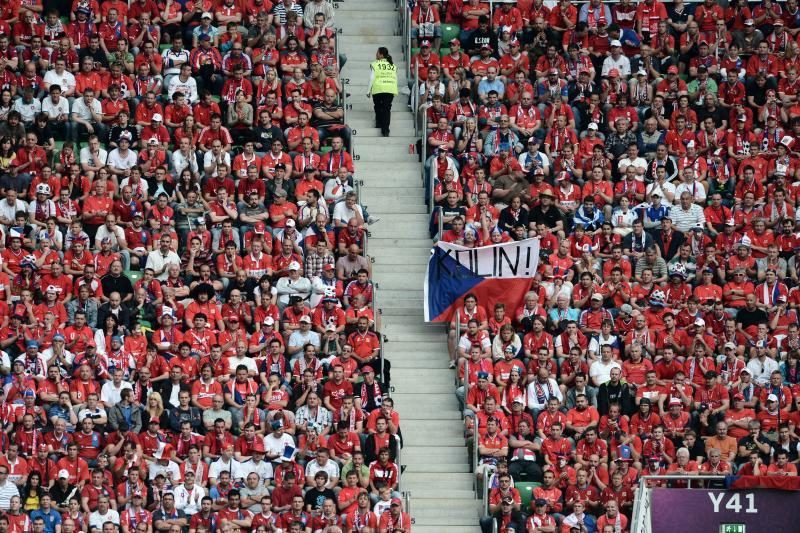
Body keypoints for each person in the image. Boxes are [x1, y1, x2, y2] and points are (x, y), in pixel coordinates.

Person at [367, 47, 398, 137]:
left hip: (378, 88)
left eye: (377, 53)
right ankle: (386, 130)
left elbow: (372, 78)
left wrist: (368, 90)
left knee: (378, 107)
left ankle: (379, 123)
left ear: (381, 54)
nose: (376, 54)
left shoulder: (375, 64)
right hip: (390, 88)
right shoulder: (393, 65)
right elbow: (395, 78)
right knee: (386, 109)